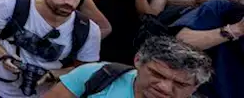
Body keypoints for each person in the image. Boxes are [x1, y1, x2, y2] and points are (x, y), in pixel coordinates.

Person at [48, 36, 212, 98]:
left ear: (196, 86)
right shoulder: (96, 75)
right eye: (157, 74)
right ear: (138, 61)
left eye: (180, 84)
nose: (165, 88)